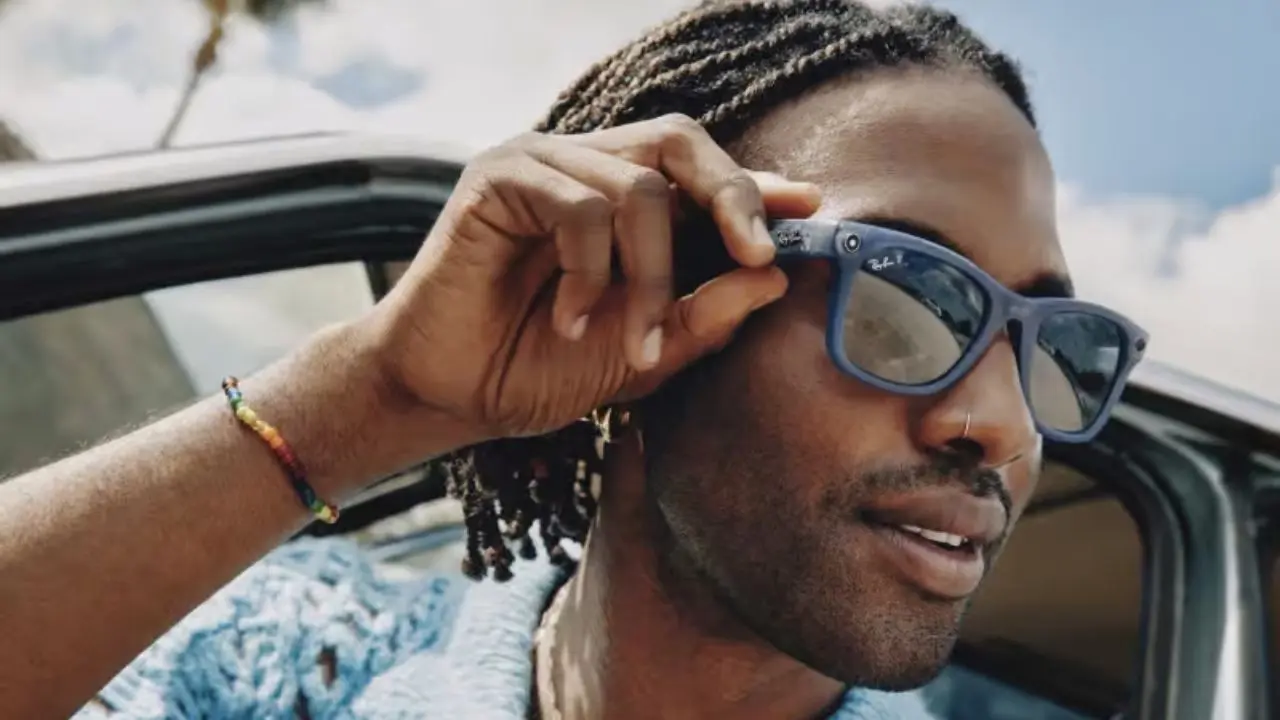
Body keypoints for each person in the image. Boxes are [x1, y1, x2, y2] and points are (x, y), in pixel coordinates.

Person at [0, 1, 1148, 718]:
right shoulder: (293, 668)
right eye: (909, 299)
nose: (999, 426)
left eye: (1049, 344)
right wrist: (373, 396)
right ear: (656, 299)